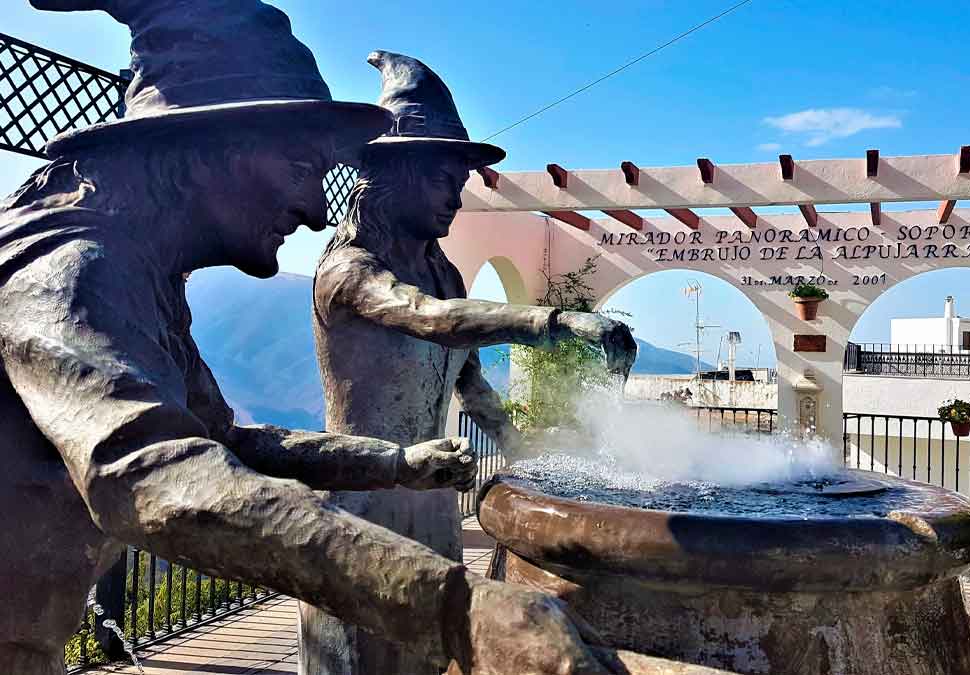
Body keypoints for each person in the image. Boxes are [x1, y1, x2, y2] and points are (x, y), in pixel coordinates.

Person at [1, 3, 610, 674]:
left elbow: (225, 442)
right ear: (210, 150)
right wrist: (456, 608)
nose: (317, 208)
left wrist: (393, 464)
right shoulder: (69, 269)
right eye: (301, 167)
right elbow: (152, 478)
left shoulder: (140, 282)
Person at [305, 50, 637, 674]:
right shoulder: (349, 269)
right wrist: (556, 323)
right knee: (362, 655)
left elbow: (469, 381)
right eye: (439, 181)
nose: (454, 200)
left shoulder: (441, 268)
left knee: (431, 649)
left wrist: (524, 449)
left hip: (432, 494)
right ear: (392, 176)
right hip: (365, 493)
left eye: (457, 184)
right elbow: (429, 318)